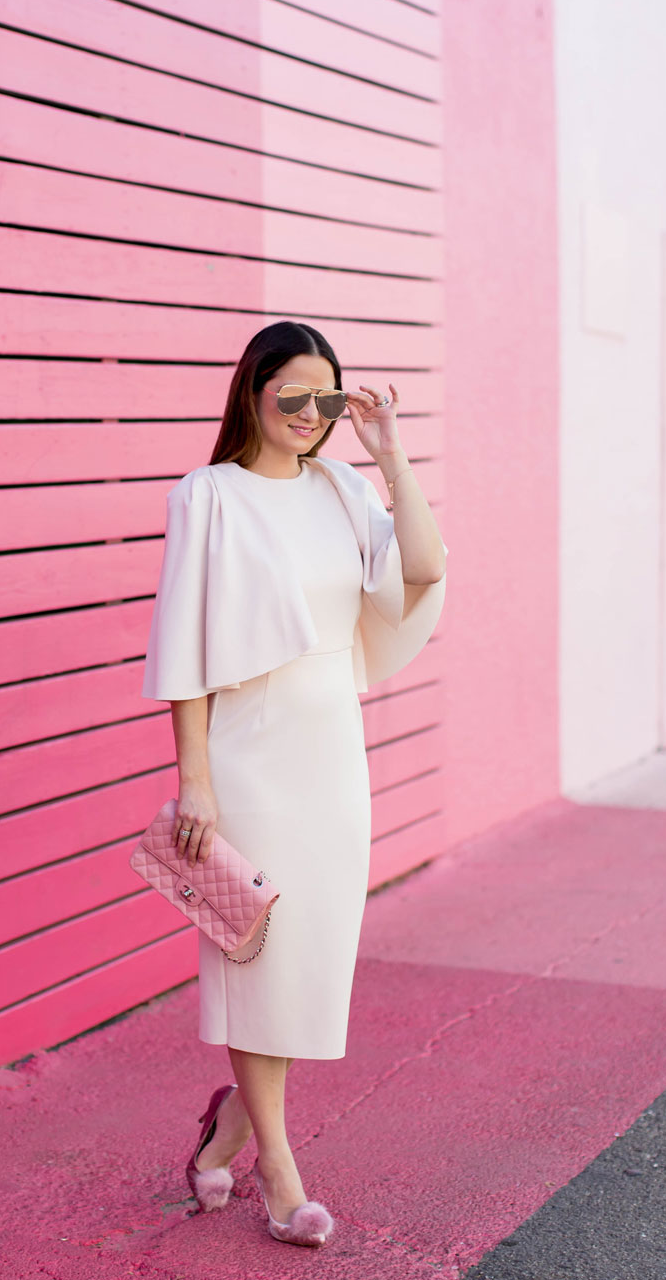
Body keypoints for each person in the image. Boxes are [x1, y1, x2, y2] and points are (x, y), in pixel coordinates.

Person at [141, 319, 445, 1246]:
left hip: (330, 752)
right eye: (293, 398)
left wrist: (389, 454)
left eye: (326, 400)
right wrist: (194, 779)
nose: (310, 416)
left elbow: (423, 569)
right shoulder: (209, 496)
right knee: (259, 955)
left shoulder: (342, 488)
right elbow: (183, 646)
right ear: (252, 395)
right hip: (247, 754)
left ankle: (229, 1126)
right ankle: (278, 1170)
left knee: (309, 963)